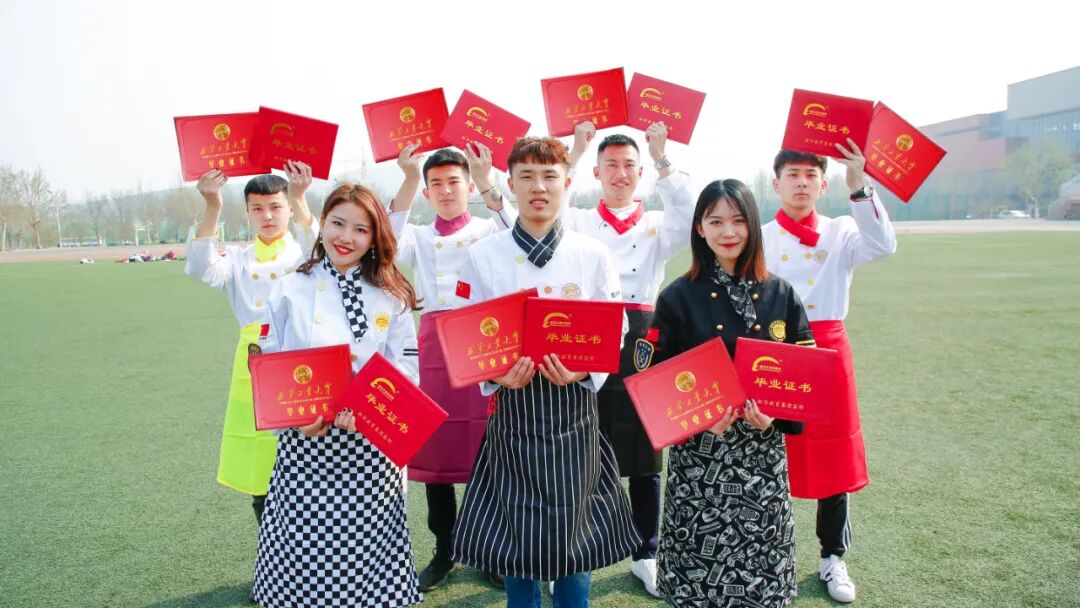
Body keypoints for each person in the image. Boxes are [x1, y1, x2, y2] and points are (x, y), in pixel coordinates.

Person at [450, 136, 640, 607]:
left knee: (575, 530)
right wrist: (496, 376)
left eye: (549, 176)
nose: (539, 187)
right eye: (527, 176)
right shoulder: (482, 255)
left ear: (567, 183)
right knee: (517, 529)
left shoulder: (592, 253)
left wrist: (581, 372)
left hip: (574, 410)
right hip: (513, 408)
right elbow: (466, 333)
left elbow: (615, 329)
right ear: (510, 184)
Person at [251, 183, 422, 608]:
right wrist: (297, 420)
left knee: (367, 553)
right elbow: (271, 362)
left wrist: (371, 412)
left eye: (361, 230)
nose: (346, 237)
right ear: (322, 223)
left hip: (371, 450)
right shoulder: (290, 287)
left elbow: (406, 371)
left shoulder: (392, 296)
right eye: (338, 224)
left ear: (375, 237)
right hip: (306, 445)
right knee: (304, 550)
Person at [648, 179, 814, 608]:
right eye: (716, 221)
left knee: (761, 569)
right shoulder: (677, 297)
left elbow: (807, 374)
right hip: (700, 457)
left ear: (753, 225)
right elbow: (651, 378)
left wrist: (776, 416)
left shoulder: (781, 293)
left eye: (738, 221)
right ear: (699, 228)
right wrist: (699, 419)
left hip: (761, 455)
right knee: (698, 573)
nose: (728, 232)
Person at [561, 120, 694, 596]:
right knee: (580, 446)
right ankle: (573, 551)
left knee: (645, 451)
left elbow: (689, 213)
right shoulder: (578, 221)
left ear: (641, 173)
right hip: (589, 335)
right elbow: (550, 202)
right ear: (597, 172)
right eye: (611, 165)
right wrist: (574, 151)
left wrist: (661, 157)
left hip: (643, 338)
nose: (620, 173)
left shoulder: (656, 223)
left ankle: (646, 551)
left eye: (629, 166)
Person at [762, 142, 897, 603]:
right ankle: (768, 552)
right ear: (776, 183)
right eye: (792, 174)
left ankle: (833, 557)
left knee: (834, 454)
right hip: (774, 351)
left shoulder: (842, 230)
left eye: (810, 175)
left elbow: (883, 246)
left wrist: (859, 185)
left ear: (823, 184)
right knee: (769, 451)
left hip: (828, 348)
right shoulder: (760, 236)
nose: (801, 182)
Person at [387, 142, 516, 591]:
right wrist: (407, 177)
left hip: (483, 339)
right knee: (436, 449)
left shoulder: (489, 228)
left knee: (490, 448)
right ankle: (445, 550)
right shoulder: (419, 237)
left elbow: (519, 230)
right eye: (435, 183)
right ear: (426, 192)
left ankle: (492, 549)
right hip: (434, 346)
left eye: (454, 182)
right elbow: (387, 241)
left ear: (468, 187)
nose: (445, 190)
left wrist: (488, 180)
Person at [183, 162, 315, 525]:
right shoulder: (237, 259)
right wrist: (212, 206)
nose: (267, 216)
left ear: (289, 209)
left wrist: (301, 197)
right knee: (260, 459)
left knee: (307, 451)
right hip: (253, 362)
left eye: (275, 206)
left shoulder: (304, 255)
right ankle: (272, 546)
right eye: (257, 208)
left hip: (300, 358)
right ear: (247, 212)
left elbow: (324, 248)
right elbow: (200, 268)